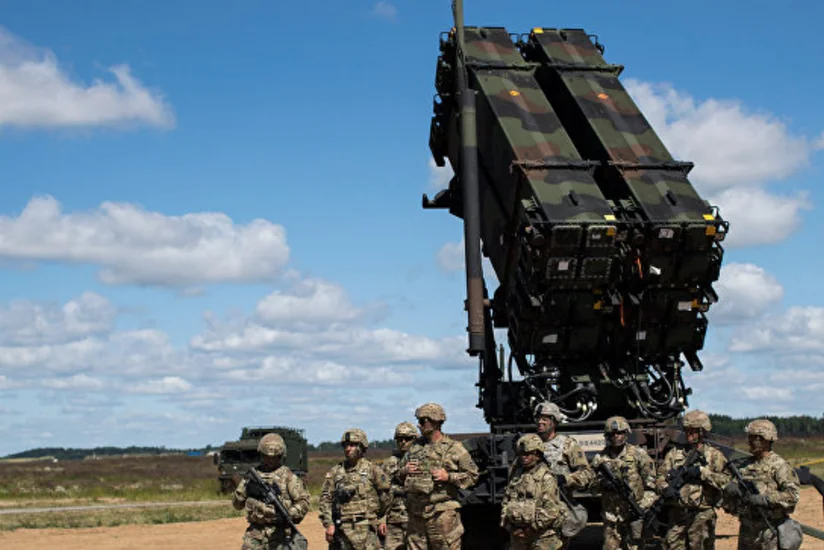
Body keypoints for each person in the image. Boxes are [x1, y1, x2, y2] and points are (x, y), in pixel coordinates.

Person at [396, 402, 479, 549]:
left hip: (441, 515)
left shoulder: (454, 448)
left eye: (422, 421)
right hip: (416, 516)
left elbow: (473, 476)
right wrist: (404, 471)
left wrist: (449, 477)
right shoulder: (415, 448)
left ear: (434, 422)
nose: (418, 425)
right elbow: (398, 475)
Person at [721, 419, 802, 550]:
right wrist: (730, 489)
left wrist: (765, 499)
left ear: (765, 440)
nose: (749, 441)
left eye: (753, 438)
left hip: (770, 532)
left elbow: (792, 495)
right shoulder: (743, 466)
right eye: (750, 437)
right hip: (747, 530)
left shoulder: (779, 465)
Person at [655, 409, 729, 549]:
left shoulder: (714, 455)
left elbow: (726, 481)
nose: (689, 434)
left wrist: (702, 473)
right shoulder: (674, 454)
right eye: (687, 430)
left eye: (693, 431)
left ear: (702, 432)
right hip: (678, 515)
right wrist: (665, 488)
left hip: (702, 515)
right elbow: (659, 477)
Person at [232, 433, 310, 550]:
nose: (270, 460)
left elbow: (304, 501)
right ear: (261, 455)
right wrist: (246, 489)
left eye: (275, 457)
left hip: (281, 536)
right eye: (267, 456)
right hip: (255, 536)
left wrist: (289, 513)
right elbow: (237, 505)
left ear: (281, 456)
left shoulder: (288, 477)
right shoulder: (252, 476)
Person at [590, 416, 658, 550]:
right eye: (613, 433)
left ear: (626, 434)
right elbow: (592, 489)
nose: (617, 436)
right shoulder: (600, 459)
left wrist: (641, 506)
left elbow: (652, 485)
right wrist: (602, 484)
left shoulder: (638, 454)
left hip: (634, 515)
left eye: (620, 433)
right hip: (611, 518)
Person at [533, 401, 593, 547]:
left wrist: (566, 479)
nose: (540, 422)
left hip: (557, 511)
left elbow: (586, 473)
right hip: (533, 512)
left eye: (545, 418)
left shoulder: (567, 444)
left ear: (554, 421)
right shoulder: (530, 444)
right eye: (538, 418)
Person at [318, 428, 391, 550]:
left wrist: (381, 519)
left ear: (362, 447)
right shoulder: (336, 472)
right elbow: (325, 500)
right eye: (346, 446)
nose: (348, 449)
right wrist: (329, 524)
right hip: (341, 531)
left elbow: (386, 497)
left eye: (352, 445)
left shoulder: (373, 470)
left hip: (367, 531)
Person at [501, 433, 566, 549]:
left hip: (542, 537)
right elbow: (506, 501)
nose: (523, 457)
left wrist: (530, 530)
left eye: (527, 454)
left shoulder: (546, 478)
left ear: (537, 454)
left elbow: (551, 510)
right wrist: (511, 527)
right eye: (520, 454)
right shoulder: (516, 476)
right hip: (518, 537)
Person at [380, 421, 419, 549]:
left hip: (417, 519)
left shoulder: (424, 460)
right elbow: (381, 493)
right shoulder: (389, 464)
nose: (403, 442)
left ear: (415, 439)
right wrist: (381, 520)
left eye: (407, 439)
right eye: (399, 439)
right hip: (394, 520)